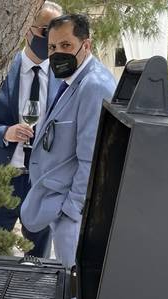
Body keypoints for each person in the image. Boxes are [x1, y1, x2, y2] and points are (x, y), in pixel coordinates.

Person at [20, 13, 116, 270]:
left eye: (66, 46)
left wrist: (71, 212)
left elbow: (92, 159)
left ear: (86, 45)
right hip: (57, 204)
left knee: (72, 294)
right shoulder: (71, 81)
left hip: (72, 215)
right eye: (52, 47)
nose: (57, 53)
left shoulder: (94, 86)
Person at [0, 1, 63, 259]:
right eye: (46, 31)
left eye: (58, 32)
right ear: (28, 29)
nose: (52, 39)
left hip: (43, 181)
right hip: (1, 176)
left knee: (39, 261)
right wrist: (5, 132)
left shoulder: (64, 79)